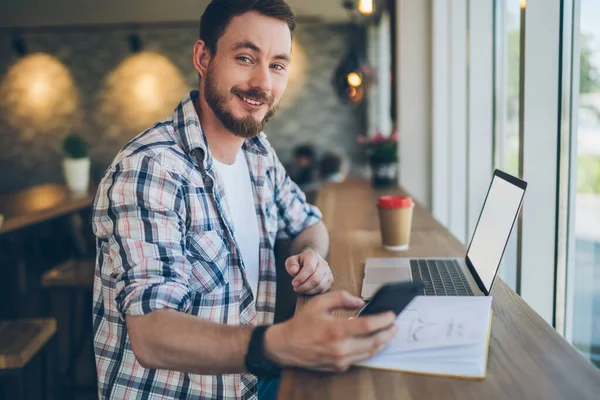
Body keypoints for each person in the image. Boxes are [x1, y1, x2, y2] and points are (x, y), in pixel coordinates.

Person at [91, 1, 397, 399]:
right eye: (244, 58)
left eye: (277, 65)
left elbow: (308, 223)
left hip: (248, 385)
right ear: (203, 57)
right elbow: (151, 335)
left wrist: (312, 258)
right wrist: (278, 343)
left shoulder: (257, 153)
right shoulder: (150, 169)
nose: (263, 84)